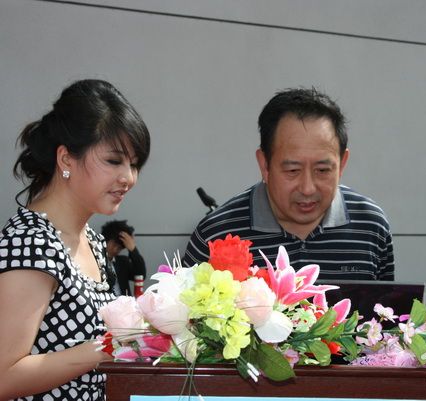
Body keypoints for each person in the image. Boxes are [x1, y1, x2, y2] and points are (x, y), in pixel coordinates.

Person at [0, 79, 151, 400]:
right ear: (66, 159)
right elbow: (4, 376)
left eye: (134, 164)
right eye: (114, 161)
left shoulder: (92, 241)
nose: (128, 177)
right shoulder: (31, 242)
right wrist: (107, 347)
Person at [183, 88, 394, 280]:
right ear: (264, 164)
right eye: (292, 170)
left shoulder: (371, 226)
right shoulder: (216, 235)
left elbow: (387, 308)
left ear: (342, 163)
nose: (307, 188)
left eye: (322, 170)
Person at [101, 220, 146, 296]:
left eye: (119, 248)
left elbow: (140, 274)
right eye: (114, 244)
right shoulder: (95, 261)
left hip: (125, 302)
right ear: (105, 240)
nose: (115, 250)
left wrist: (133, 250)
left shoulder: (123, 262)